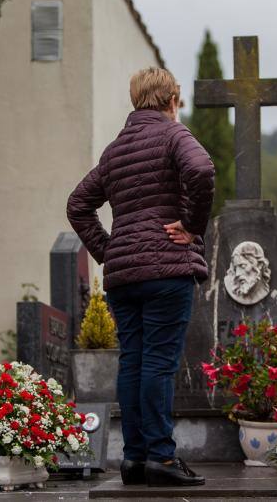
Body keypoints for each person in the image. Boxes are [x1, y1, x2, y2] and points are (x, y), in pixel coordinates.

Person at [67, 67, 214, 487]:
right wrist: (192, 225)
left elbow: (78, 205)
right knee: (160, 364)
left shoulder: (115, 151)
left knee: (132, 361)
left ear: (135, 101)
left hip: (124, 277)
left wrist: (110, 251)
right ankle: (163, 460)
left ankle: (133, 460)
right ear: (172, 100)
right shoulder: (173, 134)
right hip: (167, 266)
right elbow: (202, 171)